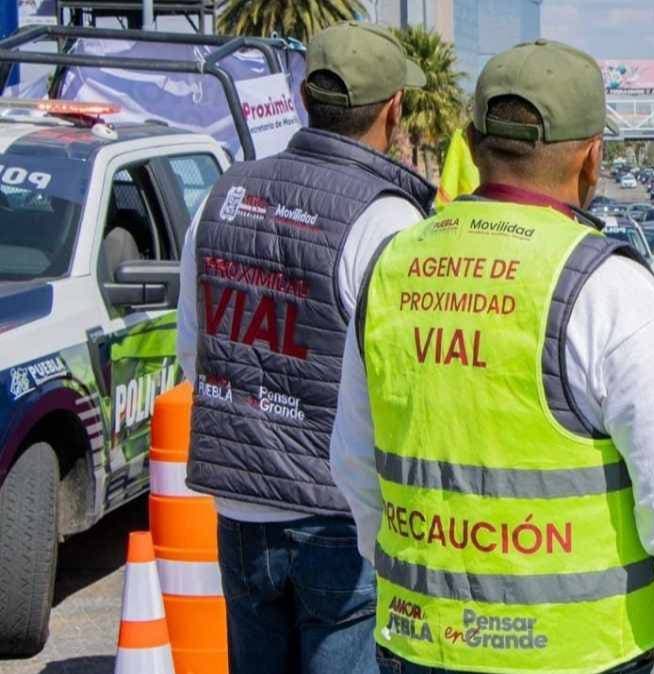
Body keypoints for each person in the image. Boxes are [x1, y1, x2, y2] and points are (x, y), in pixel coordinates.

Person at [330, 39, 654, 674]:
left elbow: (354, 464)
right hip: (579, 653)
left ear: (469, 144)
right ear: (592, 158)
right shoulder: (609, 288)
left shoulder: (391, 266)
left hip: (420, 644)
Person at [175, 22, 435, 674]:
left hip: (238, 512)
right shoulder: (388, 218)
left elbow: (193, 352)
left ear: (304, 95)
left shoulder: (224, 193)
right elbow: (405, 394)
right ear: (394, 107)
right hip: (338, 521)